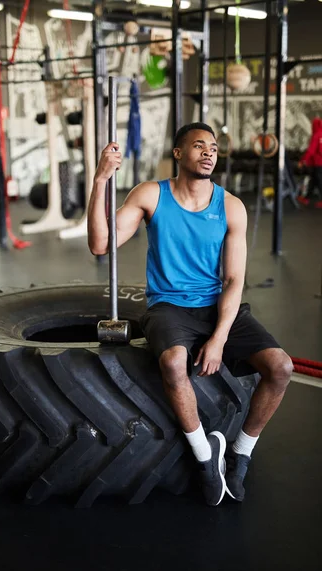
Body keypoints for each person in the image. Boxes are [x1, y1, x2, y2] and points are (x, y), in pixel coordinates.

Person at [87, 122, 293, 507]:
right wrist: (100, 180)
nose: (209, 152)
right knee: (173, 361)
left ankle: (240, 453)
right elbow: (101, 244)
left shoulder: (231, 206)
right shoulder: (151, 194)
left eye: (213, 147)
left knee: (280, 367)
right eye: (199, 146)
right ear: (178, 153)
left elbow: (233, 280)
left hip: (215, 304)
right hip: (168, 305)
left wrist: (218, 338)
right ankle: (204, 457)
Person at [298, 117, 322, 208]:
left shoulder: (316, 136)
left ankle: (307, 198)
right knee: (314, 180)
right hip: (320, 163)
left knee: (319, 181)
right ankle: (306, 198)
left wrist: (303, 160)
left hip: (317, 163)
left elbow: (311, 151)